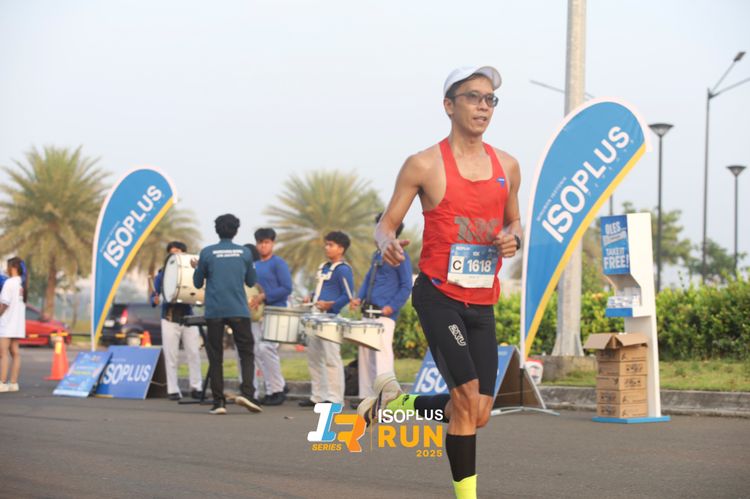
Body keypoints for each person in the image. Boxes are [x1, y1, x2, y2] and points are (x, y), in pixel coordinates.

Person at [357, 66, 522, 499]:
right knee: (465, 397)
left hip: (482, 301)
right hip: (438, 296)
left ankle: (397, 403)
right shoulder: (424, 164)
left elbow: (515, 221)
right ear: (449, 105)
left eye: (490, 99)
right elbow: (386, 224)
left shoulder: (507, 165)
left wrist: (514, 238)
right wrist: (387, 244)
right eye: (473, 97)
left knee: (478, 412)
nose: (484, 106)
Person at [192, 214, 262, 415]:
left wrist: (199, 268)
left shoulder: (207, 253)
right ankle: (248, 394)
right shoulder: (245, 253)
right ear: (236, 231)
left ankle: (219, 402)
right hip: (238, 310)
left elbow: (197, 283)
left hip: (214, 310)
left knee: (216, 356)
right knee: (246, 353)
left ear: (217, 230)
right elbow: (251, 281)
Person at [350, 213, 412, 405]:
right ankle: (367, 398)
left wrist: (391, 307)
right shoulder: (377, 255)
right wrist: (359, 297)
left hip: (383, 316)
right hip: (367, 312)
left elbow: (406, 285)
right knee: (366, 357)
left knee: (382, 358)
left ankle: (386, 399)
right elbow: (369, 279)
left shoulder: (400, 255)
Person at [299, 231, 353, 407]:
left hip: (331, 318)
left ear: (341, 249)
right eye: (326, 244)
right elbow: (321, 289)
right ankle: (318, 396)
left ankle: (335, 398)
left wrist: (332, 305)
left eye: (331, 245)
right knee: (314, 358)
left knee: (331, 358)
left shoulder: (343, 269)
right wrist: (311, 296)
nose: (326, 248)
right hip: (316, 316)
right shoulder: (323, 267)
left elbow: (348, 295)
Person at [150, 241, 202, 401]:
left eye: (178, 252)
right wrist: (155, 300)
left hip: (189, 318)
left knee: (194, 353)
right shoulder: (162, 274)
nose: (175, 255)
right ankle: (173, 389)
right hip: (169, 319)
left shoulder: (192, 272)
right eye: (172, 253)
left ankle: (197, 387)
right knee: (171, 356)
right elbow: (154, 296)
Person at [250, 228, 292, 405]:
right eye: (260, 242)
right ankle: (271, 389)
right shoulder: (254, 265)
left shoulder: (278, 263)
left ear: (272, 243)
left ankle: (277, 389)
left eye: (266, 242)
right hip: (258, 314)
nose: (263, 246)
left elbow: (286, 288)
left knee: (267, 348)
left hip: (276, 311)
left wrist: (264, 296)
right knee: (258, 352)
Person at [0, 257, 27, 393]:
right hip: (17, 324)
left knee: (3, 353)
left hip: (7, 323)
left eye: (7, 266)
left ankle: (2, 383)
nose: (6, 269)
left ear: (13, 267)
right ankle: (13, 383)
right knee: (15, 353)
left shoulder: (9, 283)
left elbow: (4, 304)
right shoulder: (21, 284)